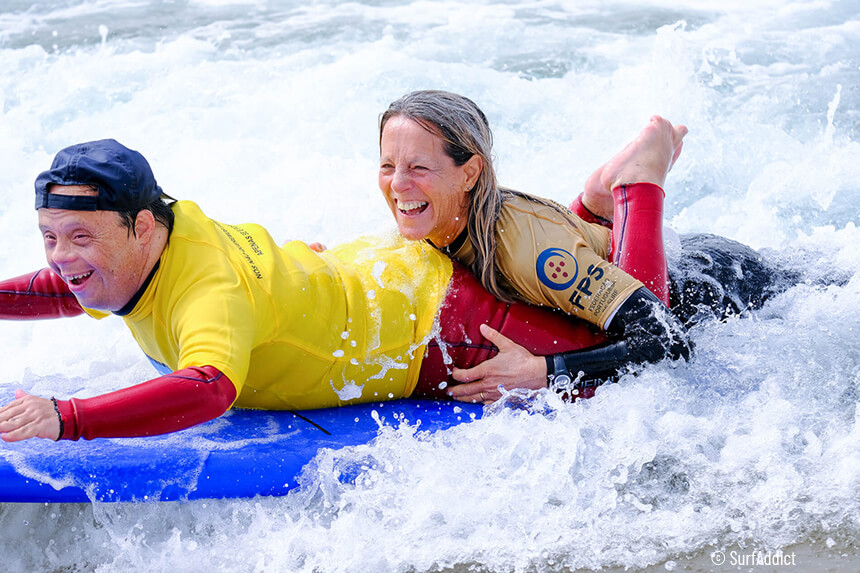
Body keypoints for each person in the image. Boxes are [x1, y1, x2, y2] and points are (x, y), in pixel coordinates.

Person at [0, 138, 633, 443]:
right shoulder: (162, 226)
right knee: (576, 279)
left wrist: (66, 418)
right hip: (382, 270)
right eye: (49, 237)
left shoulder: (209, 295)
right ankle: (587, 217)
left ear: (141, 227)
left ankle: (633, 193)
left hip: (446, 332)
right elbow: (77, 286)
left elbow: (209, 388)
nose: (61, 258)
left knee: (641, 342)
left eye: (78, 236)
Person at [378, 90, 693, 404]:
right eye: (388, 166)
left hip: (703, 286)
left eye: (419, 168)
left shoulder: (526, 254)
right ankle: (595, 209)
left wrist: (545, 372)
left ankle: (637, 184)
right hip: (583, 260)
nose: (397, 184)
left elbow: (669, 339)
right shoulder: (437, 217)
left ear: (470, 174)